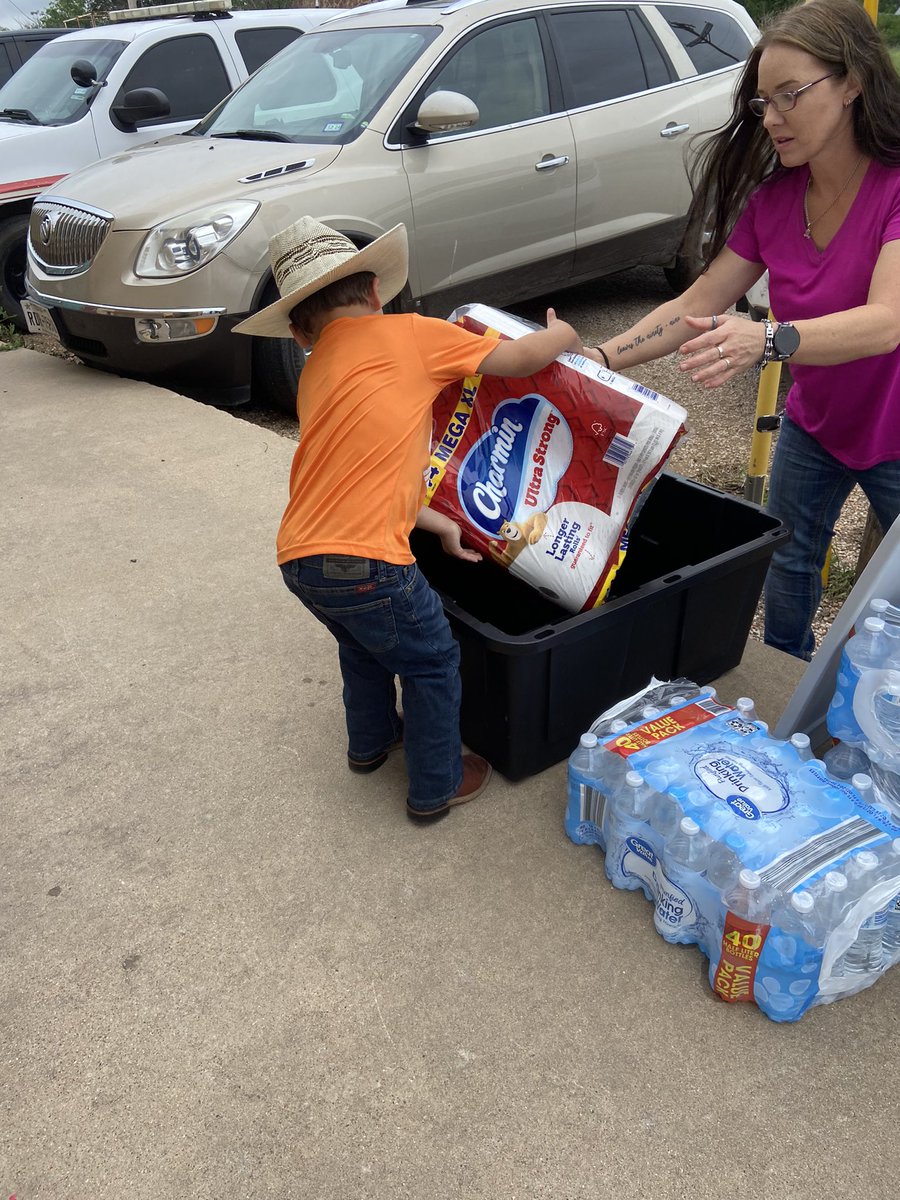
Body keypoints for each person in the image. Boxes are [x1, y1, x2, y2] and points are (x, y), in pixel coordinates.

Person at [234, 215, 583, 820]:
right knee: (432, 661)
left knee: (363, 647)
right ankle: (436, 783)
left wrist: (439, 522)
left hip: (299, 557)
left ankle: (369, 745)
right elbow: (523, 358)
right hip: (368, 559)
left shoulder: (315, 373)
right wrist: (566, 336)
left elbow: (366, 473)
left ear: (296, 333)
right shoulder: (411, 334)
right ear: (375, 292)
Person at [586, 0, 900, 661]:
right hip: (817, 425)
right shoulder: (775, 201)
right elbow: (700, 298)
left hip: (895, 432)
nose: (774, 118)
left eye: (791, 96)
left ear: (852, 83)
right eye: (764, 102)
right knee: (786, 569)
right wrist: (600, 355)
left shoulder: (895, 188)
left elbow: (886, 323)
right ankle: (786, 690)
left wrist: (767, 339)